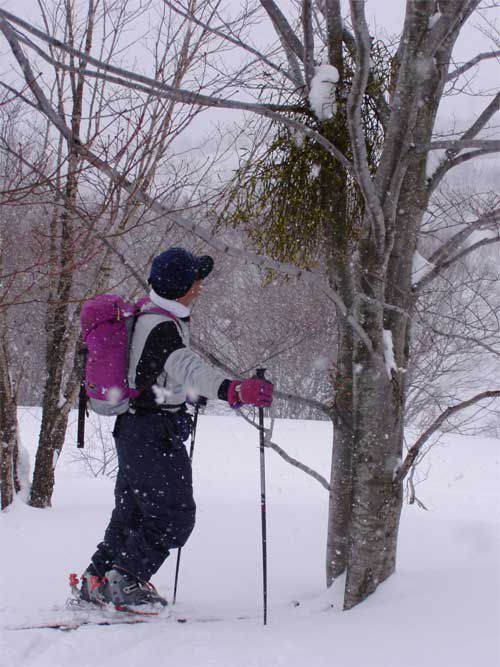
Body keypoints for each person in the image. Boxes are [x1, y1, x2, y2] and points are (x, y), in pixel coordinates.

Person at [76, 247, 273, 609]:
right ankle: (126, 581)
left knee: (133, 513)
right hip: (153, 433)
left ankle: (97, 579)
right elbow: (190, 368)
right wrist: (235, 390)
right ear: (181, 286)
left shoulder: (148, 314)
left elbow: (155, 373)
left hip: (134, 428)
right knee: (174, 517)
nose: (200, 287)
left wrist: (182, 394)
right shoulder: (163, 328)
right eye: (197, 281)